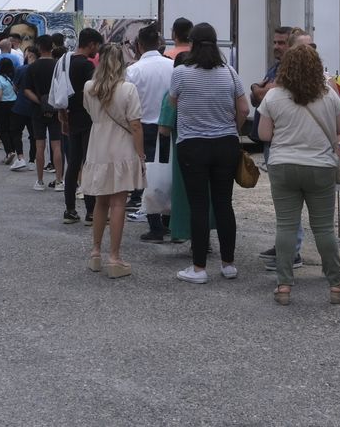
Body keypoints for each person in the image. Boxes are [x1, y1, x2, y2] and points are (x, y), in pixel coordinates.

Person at [257, 44, 340, 305]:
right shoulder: (328, 96)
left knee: (286, 226)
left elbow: (264, 135)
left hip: (283, 166)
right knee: (323, 229)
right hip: (320, 167)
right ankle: (335, 285)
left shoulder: (273, 97)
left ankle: (284, 286)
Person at [170, 22, 248, 284]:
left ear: (191, 44)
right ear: (216, 44)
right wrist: (232, 130)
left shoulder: (181, 73)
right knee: (224, 203)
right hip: (225, 143)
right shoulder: (229, 72)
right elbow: (244, 109)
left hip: (192, 145)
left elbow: (173, 101)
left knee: (199, 205)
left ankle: (199, 268)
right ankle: (228, 264)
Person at [80, 42, 146, 279]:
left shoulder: (89, 87)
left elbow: (90, 113)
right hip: (122, 150)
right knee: (119, 203)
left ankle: (95, 253)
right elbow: (136, 124)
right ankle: (114, 257)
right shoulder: (128, 89)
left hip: (97, 149)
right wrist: (141, 155)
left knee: (101, 202)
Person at [251, 26, 295, 263]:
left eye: (282, 43)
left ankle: (291, 251)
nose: (277, 46)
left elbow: (263, 94)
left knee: (288, 200)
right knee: (281, 199)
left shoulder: (291, 70)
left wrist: (258, 89)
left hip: (281, 140)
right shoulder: (275, 67)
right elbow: (257, 94)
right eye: (275, 42)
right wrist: (257, 89)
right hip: (272, 143)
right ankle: (284, 245)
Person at [126, 24, 174, 241]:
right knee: (169, 172)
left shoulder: (133, 70)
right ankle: (170, 222)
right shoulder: (173, 67)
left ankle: (155, 225)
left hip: (143, 127)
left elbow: (127, 102)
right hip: (169, 126)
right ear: (160, 44)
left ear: (139, 45)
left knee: (148, 175)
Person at [59, 29, 101, 224]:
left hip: (71, 118)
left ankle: (69, 210)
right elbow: (94, 94)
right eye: (97, 46)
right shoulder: (86, 66)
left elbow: (61, 94)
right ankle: (91, 211)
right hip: (88, 119)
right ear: (91, 44)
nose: (97, 50)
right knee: (89, 163)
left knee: (73, 164)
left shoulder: (65, 63)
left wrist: (64, 120)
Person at [23, 35, 65, 191]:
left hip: (37, 110)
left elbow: (26, 90)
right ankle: (59, 181)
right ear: (52, 47)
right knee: (57, 145)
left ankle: (40, 181)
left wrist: (40, 101)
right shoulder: (58, 66)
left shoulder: (32, 67)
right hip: (56, 110)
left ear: (39, 48)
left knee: (39, 145)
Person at [0, 58, 23, 168]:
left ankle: (9, 151)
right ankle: (11, 151)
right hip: (14, 104)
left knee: (1, 130)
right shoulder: (14, 77)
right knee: (11, 129)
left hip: (3, 105)